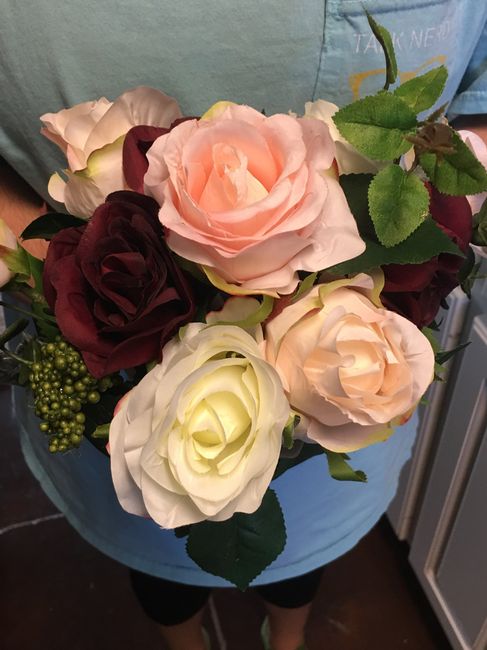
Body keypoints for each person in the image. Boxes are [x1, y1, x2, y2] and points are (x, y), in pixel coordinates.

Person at [1, 3, 486, 649]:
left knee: (298, 568)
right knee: (160, 568)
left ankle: (286, 640)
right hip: (90, 345)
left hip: (353, 385)